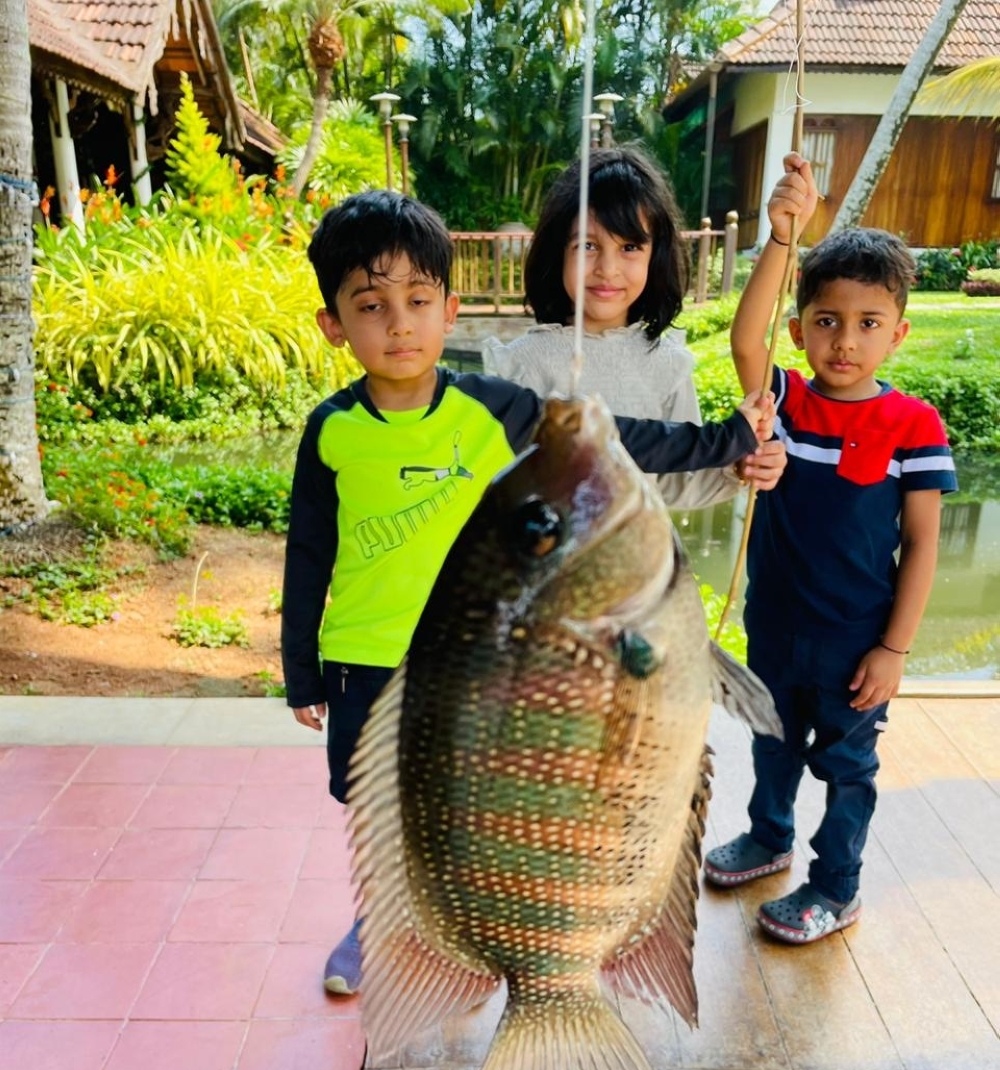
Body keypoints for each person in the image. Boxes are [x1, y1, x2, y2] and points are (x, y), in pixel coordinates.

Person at [280, 189, 776, 994]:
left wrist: (728, 437)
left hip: (483, 663)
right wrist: (300, 670)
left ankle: (478, 928)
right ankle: (377, 920)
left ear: (452, 308)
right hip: (363, 654)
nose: (398, 324)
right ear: (333, 322)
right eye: (371, 306)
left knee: (471, 802)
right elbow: (308, 557)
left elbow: (618, 436)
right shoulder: (331, 429)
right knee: (378, 807)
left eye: (417, 302)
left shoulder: (493, 406)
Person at [703, 154, 958, 944]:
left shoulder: (915, 426)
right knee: (771, 741)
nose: (845, 341)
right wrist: (784, 238)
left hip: (857, 639)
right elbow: (744, 338)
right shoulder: (784, 401)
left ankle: (835, 884)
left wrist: (895, 648)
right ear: (800, 327)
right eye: (827, 321)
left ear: (899, 332)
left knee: (848, 770)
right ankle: (769, 835)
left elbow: (920, 545)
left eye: (868, 323)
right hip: (775, 623)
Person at [482, 147, 787, 504]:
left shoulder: (666, 362)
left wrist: (739, 466)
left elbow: (676, 485)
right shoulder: (521, 364)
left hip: (638, 555)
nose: (607, 269)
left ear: (654, 256)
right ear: (558, 252)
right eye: (588, 245)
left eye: (629, 247)